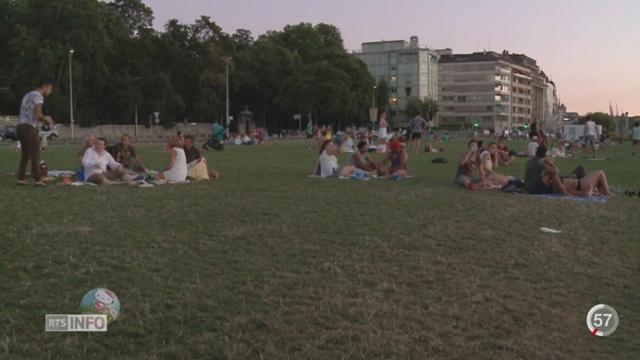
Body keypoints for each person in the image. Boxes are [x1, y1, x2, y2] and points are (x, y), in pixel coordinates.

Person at [524, 145, 614, 197]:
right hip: (536, 188)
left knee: (591, 173)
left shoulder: (531, 161)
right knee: (600, 172)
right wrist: (551, 163)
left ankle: (604, 191)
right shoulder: (540, 162)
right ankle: (606, 191)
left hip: (532, 188)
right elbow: (556, 172)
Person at [16, 80, 55, 186]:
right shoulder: (38, 96)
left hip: (20, 127)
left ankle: (21, 178)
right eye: (50, 89)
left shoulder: (27, 95)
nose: (50, 92)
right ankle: (38, 179)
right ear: (45, 86)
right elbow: (38, 114)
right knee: (35, 153)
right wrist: (47, 120)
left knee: (25, 155)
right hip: (29, 127)